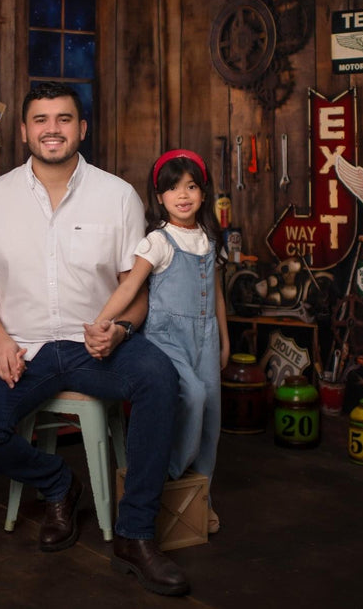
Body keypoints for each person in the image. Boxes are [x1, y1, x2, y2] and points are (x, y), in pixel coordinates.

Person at [0, 82, 189, 596]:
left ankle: (135, 534)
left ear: (82, 128)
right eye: (41, 119)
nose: (52, 129)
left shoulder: (117, 195)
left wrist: (121, 330)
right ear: (24, 131)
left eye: (64, 118)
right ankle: (59, 483)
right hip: (24, 347)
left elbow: (137, 289)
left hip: (95, 347)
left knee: (160, 379)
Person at [92, 149, 230, 534]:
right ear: (159, 196)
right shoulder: (158, 241)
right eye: (172, 188)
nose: (182, 195)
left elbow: (216, 292)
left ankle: (201, 495)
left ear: (203, 193)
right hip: (167, 338)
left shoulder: (208, 238)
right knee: (194, 398)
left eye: (191, 187)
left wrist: (224, 339)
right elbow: (131, 286)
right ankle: (170, 473)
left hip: (206, 335)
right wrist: (102, 321)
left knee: (212, 419)